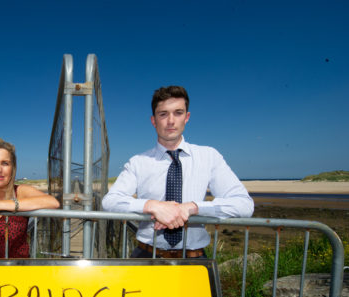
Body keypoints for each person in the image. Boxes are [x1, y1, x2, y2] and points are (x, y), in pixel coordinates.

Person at [102, 86, 254, 258]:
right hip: (146, 256)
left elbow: (244, 204)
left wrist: (192, 208)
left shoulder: (209, 156)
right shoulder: (138, 162)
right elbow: (110, 201)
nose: (171, 121)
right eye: (163, 114)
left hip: (194, 258)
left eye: (178, 112)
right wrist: (153, 206)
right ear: (154, 120)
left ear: (187, 117)